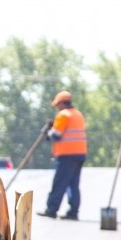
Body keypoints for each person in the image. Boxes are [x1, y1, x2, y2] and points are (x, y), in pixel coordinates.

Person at [37, 91, 88, 220]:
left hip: (67, 155)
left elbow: (56, 135)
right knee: (73, 184)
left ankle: (51, 209)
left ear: (62, 103)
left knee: (59, 183)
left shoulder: (63, 115)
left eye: (58, 105)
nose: (57, 108)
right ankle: (73, 212)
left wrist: (48, 131)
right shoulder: (78, 114)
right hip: (80, 154)